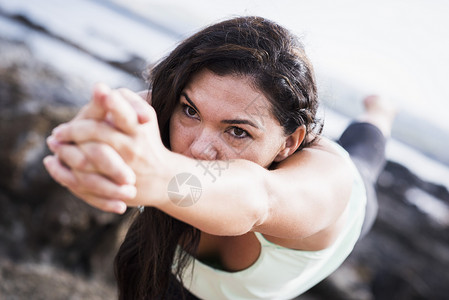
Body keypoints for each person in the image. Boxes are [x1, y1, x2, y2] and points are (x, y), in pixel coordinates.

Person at [44, 16, 395, 300]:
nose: (198, 149)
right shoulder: (162, 114)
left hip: (353, 192)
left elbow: (258, 199)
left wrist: (160, 175)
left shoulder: (325, 184)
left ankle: (379, 112)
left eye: (237, 131)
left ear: (289, 142)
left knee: (365, 151)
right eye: (191, 111)